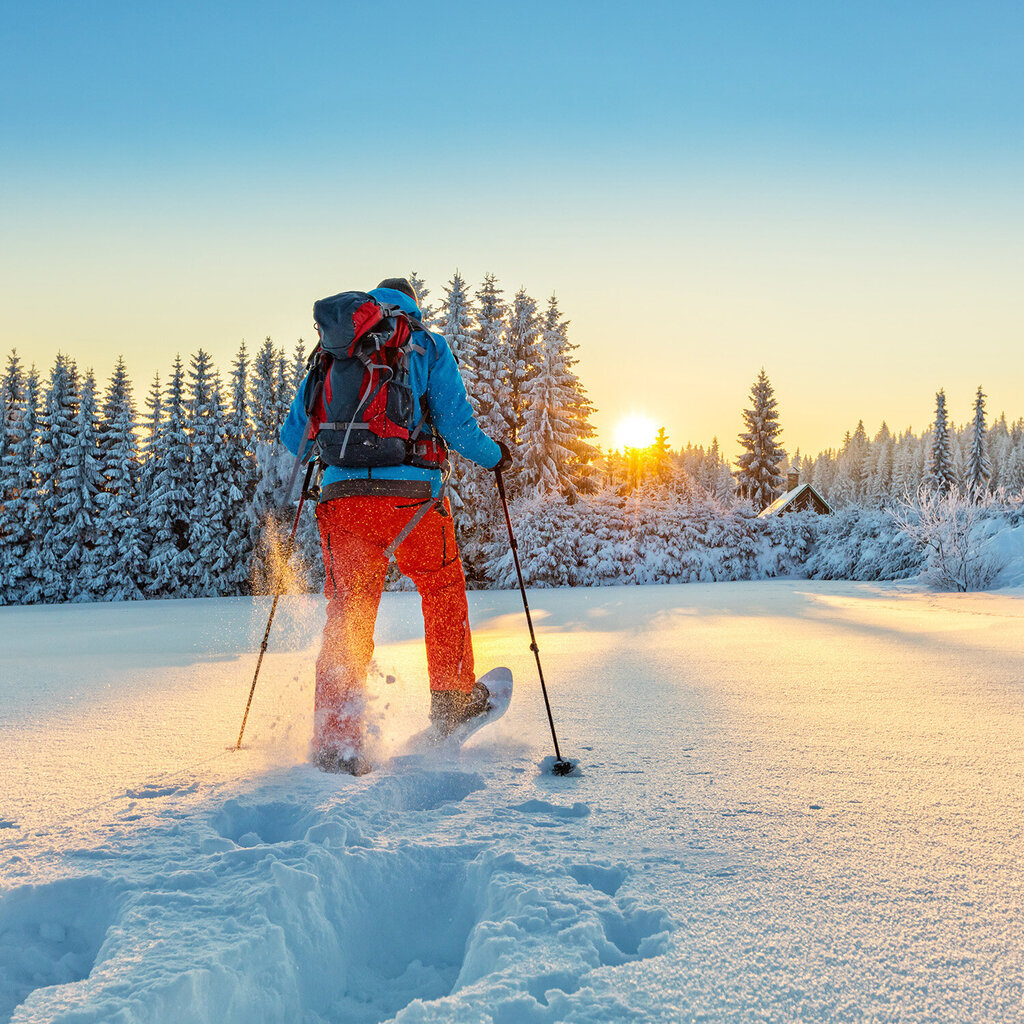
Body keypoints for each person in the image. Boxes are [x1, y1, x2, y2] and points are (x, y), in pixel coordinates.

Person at [280, 277, 511, 775]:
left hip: (343, 503)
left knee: (349, 613)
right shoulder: (424, 343)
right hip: (413, 502)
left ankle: (336, 741)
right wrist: (495, 457)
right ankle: (452, 700)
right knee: (441, 587)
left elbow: (294, 435)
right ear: (412, 306)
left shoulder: (332, 351)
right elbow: (456, 426)